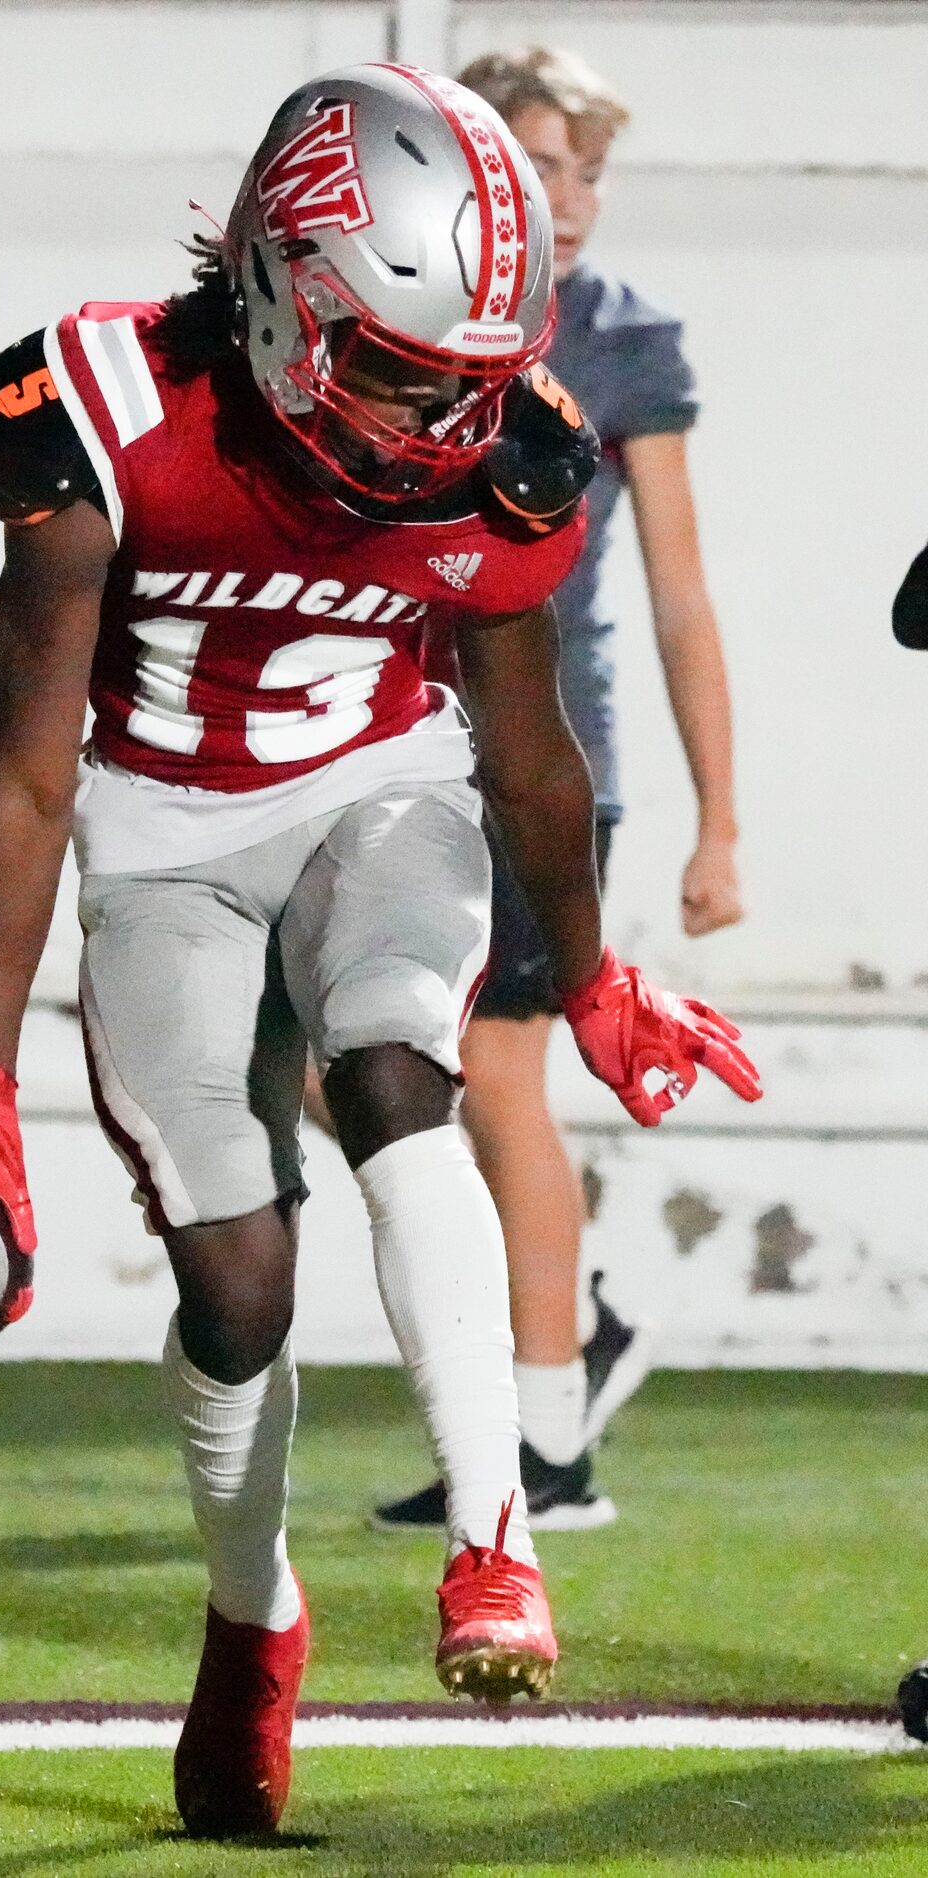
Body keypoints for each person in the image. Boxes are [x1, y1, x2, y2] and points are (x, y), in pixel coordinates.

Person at [0, 65, 760, 1840]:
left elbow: (527, 749)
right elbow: (31, 771)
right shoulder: (94, 409)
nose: (431, 416)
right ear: (275, 281)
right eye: (397, 363)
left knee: (404, 1062)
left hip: (380, 792)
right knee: (238, 1279)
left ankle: (496, 1538)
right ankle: (253, 1619)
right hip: (163, 833)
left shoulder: (514, 449)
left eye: (459, 377)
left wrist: (591, 977)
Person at [375, 46, 746, 1536]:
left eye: (592, 171)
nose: (573, 198)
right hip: (395, 758)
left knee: (503, 1085)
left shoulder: (617, 341)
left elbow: (679, 596)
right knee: (383, 1075)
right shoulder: (400, 323)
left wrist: (721, 821)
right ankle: (568, 1329)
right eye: (543, 165)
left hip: (543, 761)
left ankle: (549, 1453)